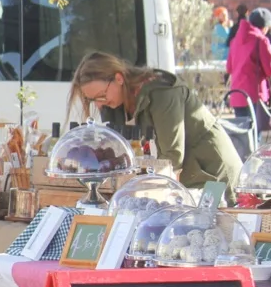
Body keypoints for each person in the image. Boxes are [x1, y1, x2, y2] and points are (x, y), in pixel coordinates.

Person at [71, 51, 243, 192]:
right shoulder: (112, 105)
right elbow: (117, 154)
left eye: (102, 95)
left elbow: (171, 158)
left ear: (119, 78)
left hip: (211, 174)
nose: (100, 104)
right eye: (93, 100)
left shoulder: (162, 93)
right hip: (182, 181)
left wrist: (142, 189)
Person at [225, 6, 271, 138]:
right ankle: (253, 159)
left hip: (237, 95)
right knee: (255, 135)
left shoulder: (235, 40)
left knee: (243, 136)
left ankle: (244, 159)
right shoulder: (261, 40)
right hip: (255, 95)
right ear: (265, 27)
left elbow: (229, 68)